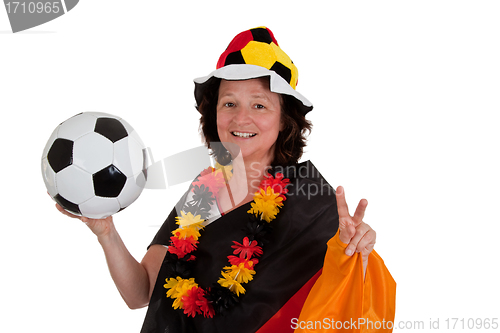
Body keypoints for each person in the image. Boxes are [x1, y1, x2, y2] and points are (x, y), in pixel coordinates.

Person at [57, 27, 396, 332]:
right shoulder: (200, 191)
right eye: (229, 103)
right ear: (213, 114)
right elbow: (141, 293)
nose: (241, 118)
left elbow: (346, 305)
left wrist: (358, 256)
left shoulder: (310, 204)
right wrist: (106, 233)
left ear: (284, 120)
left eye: (260, 105)